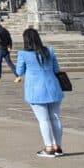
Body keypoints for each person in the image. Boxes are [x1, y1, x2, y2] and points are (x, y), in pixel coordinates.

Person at [15, 28, 66, 158]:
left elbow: (19, 71)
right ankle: (58, 147)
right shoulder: (49, 50)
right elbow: (56, 68)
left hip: (36, 90)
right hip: (53, 87)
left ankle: (49, 148)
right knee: (56, 118)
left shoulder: (23, 54)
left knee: (43, 120)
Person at [0, 18, 18, 83]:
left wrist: (3, 46)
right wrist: (9, 46)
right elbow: (9, 38)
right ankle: (18, 76)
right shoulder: (5, 29)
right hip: (6, 49)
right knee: (10, 63)